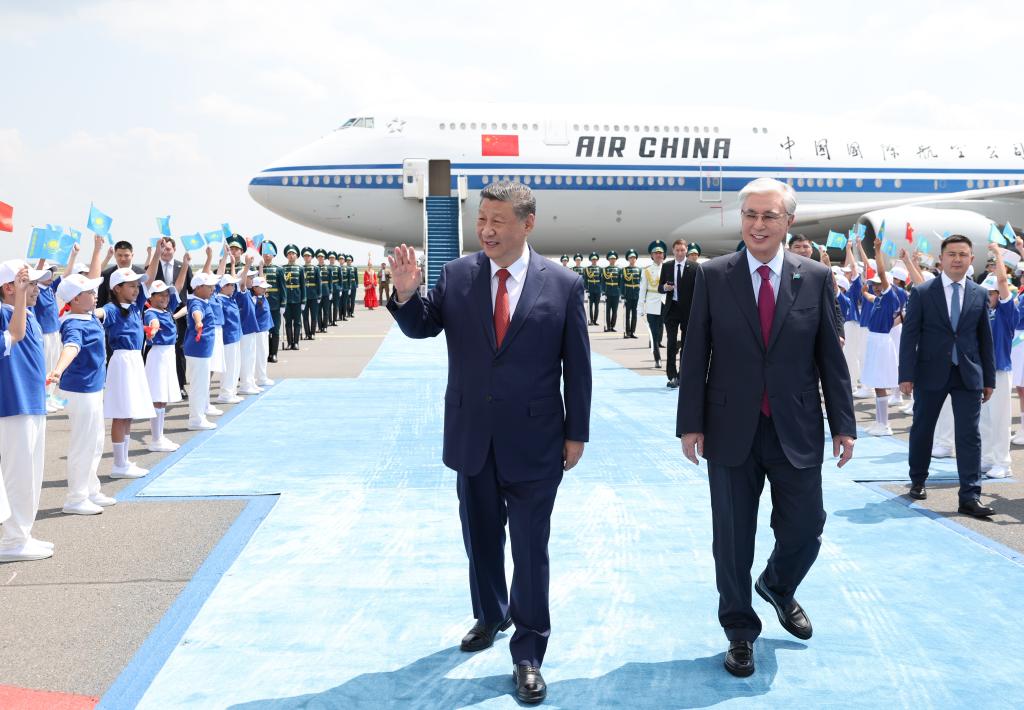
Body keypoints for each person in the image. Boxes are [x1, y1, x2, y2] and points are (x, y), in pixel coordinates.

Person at [387, 181, 592, 705]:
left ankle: (529, 653)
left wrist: (576, 433)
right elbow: (423, 327)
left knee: (530, 548)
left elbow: (578, 368)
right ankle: (490, 614)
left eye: (498, 221)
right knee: (480, 539)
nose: (487, 230)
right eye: (482, 219)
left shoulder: (563, 284)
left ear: (528, 224)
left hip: (537, 441)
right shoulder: (458, 275)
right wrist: (407, 295)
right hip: (472, 435)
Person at [678, 177, 856, 678]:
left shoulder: (815, 277)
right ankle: (739, 631)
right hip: (728, 427)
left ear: (788, 222)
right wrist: (690, 423)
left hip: (795, 426)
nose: (758, 225)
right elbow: (695, 351)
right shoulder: (713, 275)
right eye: (750, 215)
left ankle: (778, 584)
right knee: (732, 538)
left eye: (769, 216)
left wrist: (843, 423)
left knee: (806, 527)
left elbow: (830, 357)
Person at [899, 234, 996, 518]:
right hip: (930, 372)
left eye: (963, 255)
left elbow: (985, 339)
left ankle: (970, 496)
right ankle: (918, 479)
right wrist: (906, 374)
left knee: (969, 435)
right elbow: (909, 336)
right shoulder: (923, 292)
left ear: (971, 259)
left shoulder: (979, 293)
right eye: (951, 254)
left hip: (968, 373)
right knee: (923, 428)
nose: (957, 259)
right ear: (941, 259)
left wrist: (988, 379)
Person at [50, 255, 119, 514]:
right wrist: (58, 369)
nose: (95, 294)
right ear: (75, 299)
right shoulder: (73, 323)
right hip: (80, 390)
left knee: (96, 440)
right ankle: (76, 498)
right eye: (89, 292)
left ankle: (91, 489)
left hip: (92, 387)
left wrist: (99, 251)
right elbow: (72, 347)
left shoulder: (88, 317)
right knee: (83, 443)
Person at [0, 260, 53, 561]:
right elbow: (13, 336)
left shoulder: (29, 315)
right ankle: (13, 540)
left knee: (32, 472)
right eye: (29, 284)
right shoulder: (4, 314)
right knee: (18, 473)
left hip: (33, 402)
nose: (36, 289)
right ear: (9, 288)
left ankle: (23, 533)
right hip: (13, 404)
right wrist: (20, 297)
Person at [102, 258, 156, 478]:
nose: (136, 289)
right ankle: (118, 464)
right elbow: (99, 314)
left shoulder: (135, 306)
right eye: (131, 286)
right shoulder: (111, 309)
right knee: (120, 413)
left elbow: (149, 278)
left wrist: (156, 253)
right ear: (117, 288)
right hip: (122, 361)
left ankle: (124, 461)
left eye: (137, 286)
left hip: (135, 360)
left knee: (129, 413)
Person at [141, 248, 188, 453]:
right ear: (151, 297)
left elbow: (178, 287)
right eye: (160, 295)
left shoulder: (167, 310)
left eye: (166, 295)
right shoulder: (151, 312)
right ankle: (156, 439)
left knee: (163, 398)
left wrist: (185, 265)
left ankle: (159, 436)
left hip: (168, 354)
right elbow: (152, 323)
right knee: (158, 398)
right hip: (158, 354)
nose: (165, 298)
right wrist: (152, 330)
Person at [857, 238, 901, 436]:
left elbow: (882, 272)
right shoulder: (879, 299)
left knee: (880, 383)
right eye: (874, 284)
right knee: (876, 384)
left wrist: (877, 250)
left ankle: (884, 425)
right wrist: (865, 292)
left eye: (878, 284)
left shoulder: (890, 296)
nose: (876, 286)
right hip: (875, 341)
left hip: (882, 342)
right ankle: (879, 422)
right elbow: (870, 297)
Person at [978, 244, 1014, 479]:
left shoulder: (1006, 311)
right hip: (982, 371)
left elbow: (1002, 281)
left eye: (991, 293)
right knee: (984, 418)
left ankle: (1003, 462)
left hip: (1000, 371)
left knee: (1000, 419)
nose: (987, 297)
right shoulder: (982, 312)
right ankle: (988, 457)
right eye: (986, 293)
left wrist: (998, 255)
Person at [152, 237, 193, 398]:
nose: (165, 252)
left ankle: (180, 385)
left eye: (168, 249)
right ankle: (158, 385)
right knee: (158, 349)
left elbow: (191, 290)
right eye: (162, 249)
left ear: (174, 250)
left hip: (178, 314)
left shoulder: (183, 267)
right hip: (157, 313)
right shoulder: (153, 267)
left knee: (179, 349)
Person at [659, 239, 697, 389]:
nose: (680, 253)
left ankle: (683, 374)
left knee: (686, 344)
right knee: (671, 342)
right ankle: (672, 375)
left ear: (686, 250)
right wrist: (665, 287)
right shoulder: (667, 266)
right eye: (677, 250)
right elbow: (660, 287)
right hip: (672, 308)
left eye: (682, 250)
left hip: (688, 310)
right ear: (673, 251)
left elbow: (699, 290)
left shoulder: (695, 267)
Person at [183, 271, 218, 430]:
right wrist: (198, 322)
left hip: (202, 349)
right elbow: (196, 313)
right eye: (209, 286)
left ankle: (199, 416)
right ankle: (196, 420)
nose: (213, 289)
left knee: (202, 384)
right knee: (198, 385)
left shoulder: (202, 300)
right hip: (198, 349)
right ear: (198, 288)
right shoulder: (197, 303)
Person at [639, 240, 666, 368]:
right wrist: (640, 307)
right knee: (654, 332)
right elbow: (642, 290)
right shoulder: (647, 271)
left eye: (660, 253)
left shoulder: (668, 268)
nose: (658, 255)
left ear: (663, 255)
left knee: (662, 331)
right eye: (656, 253)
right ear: (652, 255)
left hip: (666, 304)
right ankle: (657, 358)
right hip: (652, 305)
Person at [262, 241, 285, 362]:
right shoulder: (258, 269)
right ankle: (266, 353)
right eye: (264, 252)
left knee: (275, 330)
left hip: (275, 304)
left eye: (269, 253)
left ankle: (274, 353)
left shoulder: (278, 270)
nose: (266, 255)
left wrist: (283, 304)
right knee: (265, 330)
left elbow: (283, 289)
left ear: (273, 255)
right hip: (261, 305)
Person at [281, 245, 305, 349]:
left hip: (297, 299)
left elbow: (303, 286)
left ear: (296, 256)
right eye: (289, 254)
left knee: (297, 322)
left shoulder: (300, 269)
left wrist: (303, 301)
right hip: (287, 300)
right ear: (287, 256)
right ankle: (289, 343)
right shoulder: (283, 268)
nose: (291, 256)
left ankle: (296, 343)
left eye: (293, 254)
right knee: (288, 322)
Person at [301, 248, 320, 339]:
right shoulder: (301, 268)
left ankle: (312, 333)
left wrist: (319, 295)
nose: (307, 257)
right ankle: (307, 333)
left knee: (313, 316)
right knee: (305, 316)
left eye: (308, 256)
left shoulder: (316, 268)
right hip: (304, 296)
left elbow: (319, 283)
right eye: (305, 256)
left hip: (313, 295)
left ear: (311, 257)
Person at [621, 249, 641, 339]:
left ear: (636, 259)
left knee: (634, 314)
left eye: (634, 258)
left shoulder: (639, 270)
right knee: (627, 314)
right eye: (631, 258)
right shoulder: (624, 270)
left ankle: (633, 332)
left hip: (636, 294)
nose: (632, 259)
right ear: (628, 259)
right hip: (628, 294)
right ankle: (627, 332)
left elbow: (641, 283)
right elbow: (622, 283)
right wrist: (622, 295)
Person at [601, 251, 622, 332]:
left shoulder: (619, 270)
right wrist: (603, 292)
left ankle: (612, 326)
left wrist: (621, 292)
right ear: (608, 260)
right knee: (607, 310)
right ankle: (608, 326)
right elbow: (603, 282)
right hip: (608, 292)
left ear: (616, 260)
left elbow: (620, 282)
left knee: (614, 311)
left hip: (616, 292)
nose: (612, 260)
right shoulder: (605, 270)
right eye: (611, 259)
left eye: (614, 259)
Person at [584, 252, 602, 326]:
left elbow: (601, 280)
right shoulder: (587, 269)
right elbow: (585, 280)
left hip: (597, 289)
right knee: (590, 306)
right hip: (590, 289)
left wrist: (601, 289)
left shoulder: (600, 269)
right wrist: (586, 289)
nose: (594, 260)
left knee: (597, 306)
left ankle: (595, 321)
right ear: (591, 260)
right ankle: (591, 320)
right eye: (593, 259)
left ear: (597, 260)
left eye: (595, 259)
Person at [315, 249, 330, 332]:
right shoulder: (315, 268)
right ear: (317, 258)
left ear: (324, 258)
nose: (320, 258)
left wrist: (330, 291)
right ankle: (319, 327)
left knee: (326, 310)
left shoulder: (328, 268)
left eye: (322, 257)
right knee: (318, 311)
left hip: (326, 291)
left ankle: (325, 327)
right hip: (317, 292)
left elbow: (330, 281)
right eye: (319, 257)